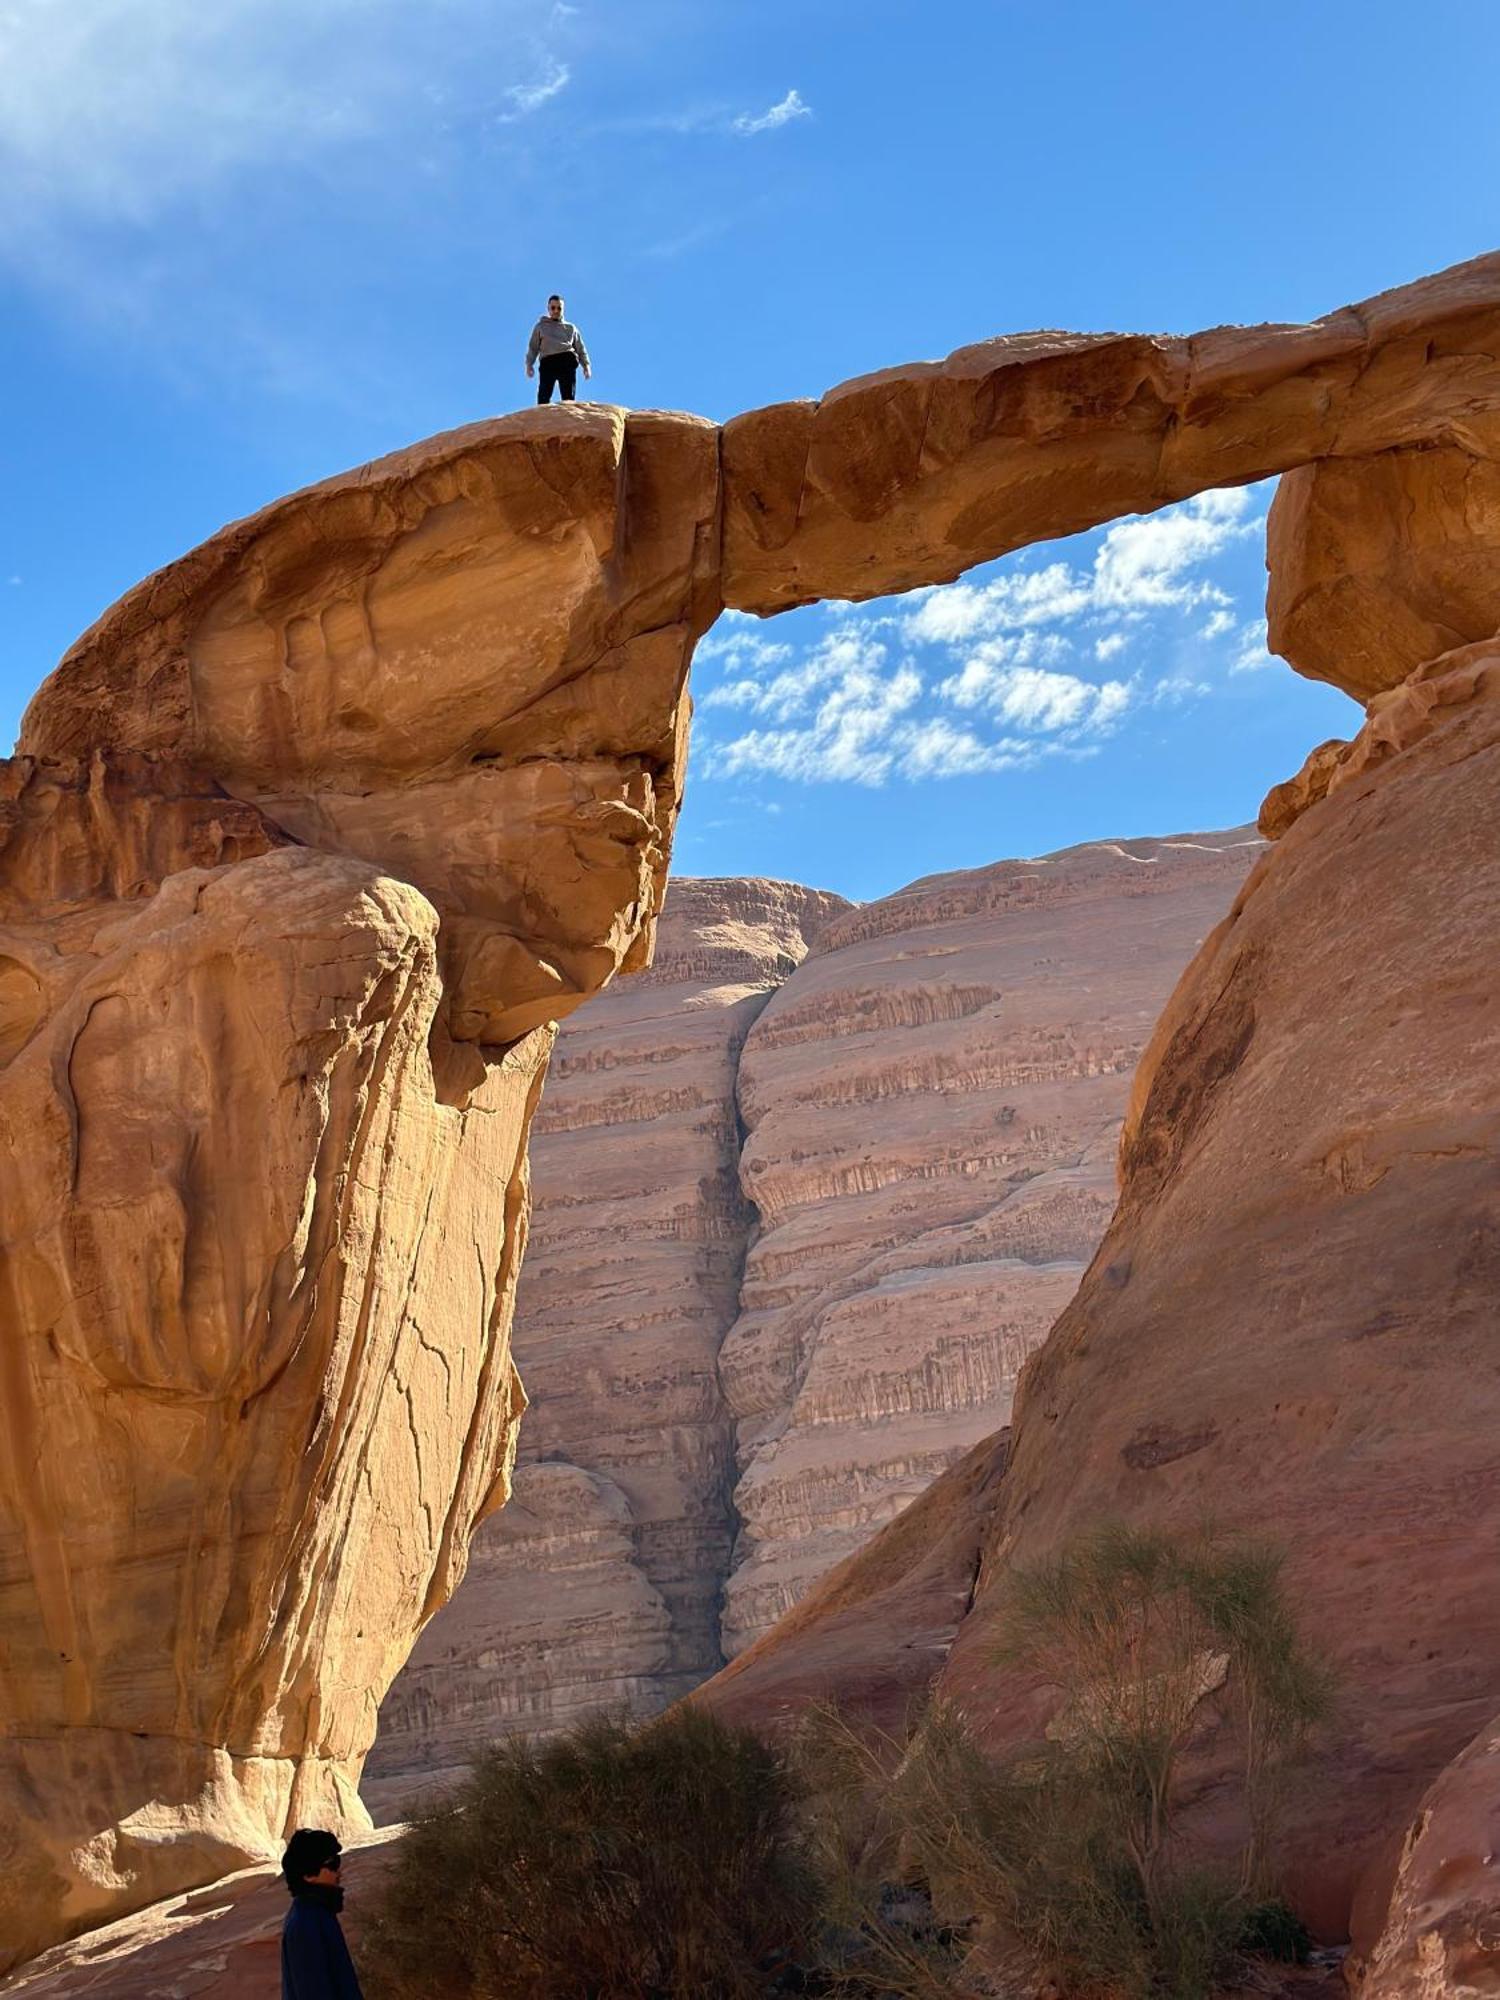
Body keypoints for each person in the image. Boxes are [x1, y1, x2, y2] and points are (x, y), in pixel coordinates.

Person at [281, 1828, 364, 2000]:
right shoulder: (305, 1923)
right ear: (309, 1875)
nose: (339, 1872)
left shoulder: (317, 1913)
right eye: (332, 1865)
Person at [526, 293, 592, 403]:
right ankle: (541, 419)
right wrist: (529, 365)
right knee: (543, 397)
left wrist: (586, 366)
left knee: (568, 398)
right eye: (553, 308)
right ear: (548, 308)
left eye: (559, 308)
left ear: (563, 309)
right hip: (548, 362)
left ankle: (568, 418)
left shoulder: (571, 328)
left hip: (566, 360)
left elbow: (580, 349)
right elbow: (533, 347)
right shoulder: (541, 327)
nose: (556, 311)